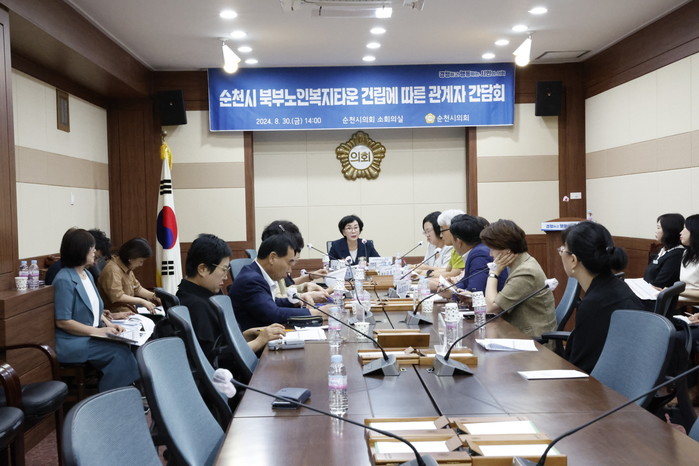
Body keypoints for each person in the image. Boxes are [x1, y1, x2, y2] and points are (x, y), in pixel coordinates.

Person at [53, 228, 139, 392]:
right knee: (118, 354)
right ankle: (110, 399)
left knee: (129, 346)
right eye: (91, 249)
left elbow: (96, 309)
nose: (94, 252)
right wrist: (98, 331)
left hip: (91, 334)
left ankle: (127, 392)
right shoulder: (64, 279)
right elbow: (63, 322)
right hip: (73, 340)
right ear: (80, 251)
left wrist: (110, 324)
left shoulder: (87, 274)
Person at [176, 234, 285, 363]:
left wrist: (245, 335)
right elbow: (216, 360)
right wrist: (259, 341)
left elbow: (220, 343)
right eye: (223, 270)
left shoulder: (191, 294)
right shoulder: (197, 306)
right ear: (202, 269)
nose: (226, 277)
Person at [559, 221, 644, 373]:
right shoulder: (614, 287)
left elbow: (582, 371)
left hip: (602, 385)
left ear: (573, 260)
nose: (560, 254)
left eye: (562, 250)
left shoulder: (594, 305)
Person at [229, 233, 324, 331]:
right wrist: (318, 313)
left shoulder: (256, 273)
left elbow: (270, 302)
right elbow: (272, 314)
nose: (290, 270)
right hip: (255, 337)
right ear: (272, 258)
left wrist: (296, 301)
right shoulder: (251, 280)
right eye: (289, 263)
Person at [480, 219, 556, 339]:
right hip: (517, 334)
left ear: (506, 251)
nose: (490, 254)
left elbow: (491, 308)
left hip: (533, 341)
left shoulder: (526, 272)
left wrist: (493, 273)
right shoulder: (522, 263)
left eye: (492, 249)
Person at [260, 220, 329, 303]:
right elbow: (277, 300)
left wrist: (305, 286)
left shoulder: (276, 265)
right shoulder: (262, 273)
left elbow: (285, 290)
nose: (289, 270)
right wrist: (305, 296)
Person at [443, 214, 507, 298]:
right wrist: (452, 287)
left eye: (452, 239)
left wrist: (453, 294)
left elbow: (475, 292)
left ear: (459, 241)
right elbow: (466, 282)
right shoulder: (477, 250)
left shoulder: (479, 254)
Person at [98, 237, 161, 318]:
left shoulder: (127, 267)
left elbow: (137, 289)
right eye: (141, 261)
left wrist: (154, 296)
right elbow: (117, 297)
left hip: (129, 311)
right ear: (131, 258)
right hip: (117, 315)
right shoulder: (112, 270)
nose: (141, 265)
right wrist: (142, 301)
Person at [45, 228, 111, 285]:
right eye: (95, 256)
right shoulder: (60, 273)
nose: (95, 262)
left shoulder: (86, 272)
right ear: (83, 250)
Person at [643, 213, 684, 288]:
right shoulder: (664, 250)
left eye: (658, 228)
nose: (656, 231)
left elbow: (660, 284)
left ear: (669, 231)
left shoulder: (676, 255)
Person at [680, 214, 699, 301]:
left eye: (685, 228)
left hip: (692, 302)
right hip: (683, 297)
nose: (681, 232)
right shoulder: (686, 253)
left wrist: (675, 291)